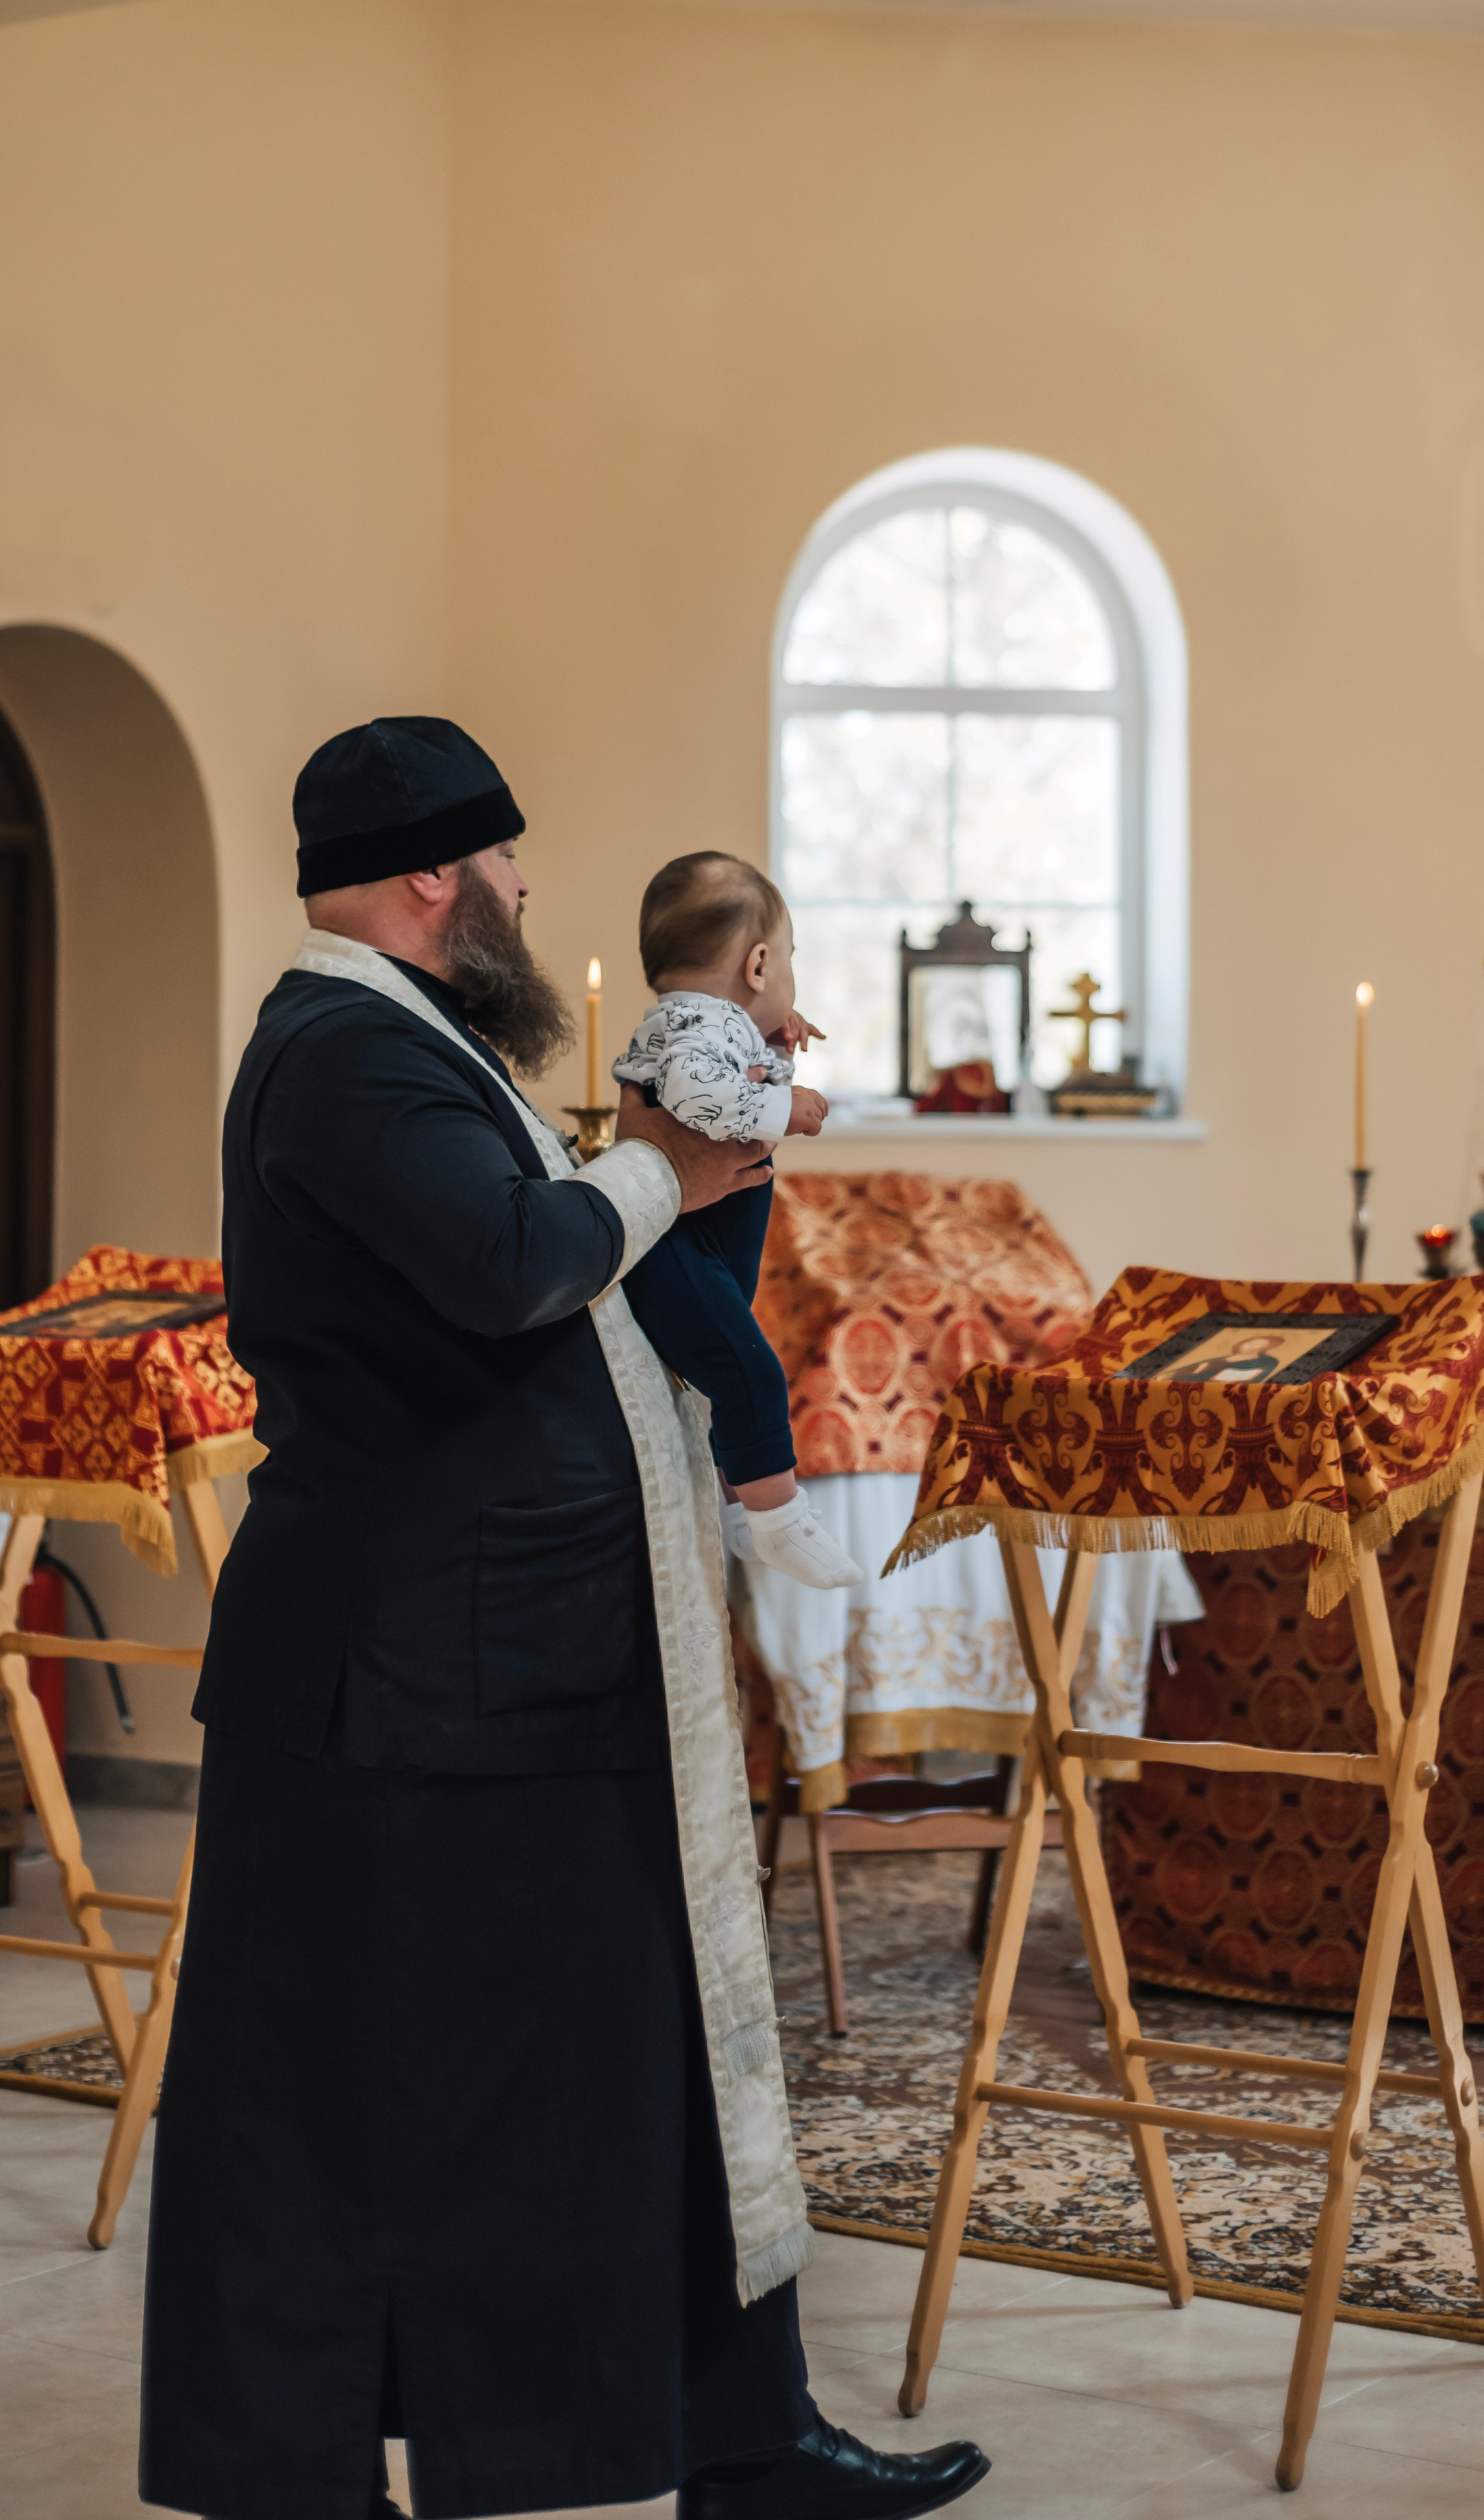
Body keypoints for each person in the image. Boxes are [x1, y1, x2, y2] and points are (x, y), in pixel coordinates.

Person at [138, 717, 989, 2520]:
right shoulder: (347, 1054)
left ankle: (745, 2443)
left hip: (519, 1669)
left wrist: (660, 1167)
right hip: (419, 1688)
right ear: (437, 870)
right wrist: (664, 1161)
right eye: (507, 860)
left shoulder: (418, 1040)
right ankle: (289, 2473)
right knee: (370, 2101)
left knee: (641, 2053)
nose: (528, 889)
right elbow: (516, 1262)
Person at [614, 852, 862, 1592]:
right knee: (749, 1368)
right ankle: (781, 1519)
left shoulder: (700, 1023)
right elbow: (700, 1098)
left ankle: (738, 1512)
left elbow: (730, 1084)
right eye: (790, 960)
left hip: (701, 1241)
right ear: (758, 964)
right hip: (675, 1243)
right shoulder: (696, 1030)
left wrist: (776, 1050)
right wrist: (793, 1106)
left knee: (725, 1373)